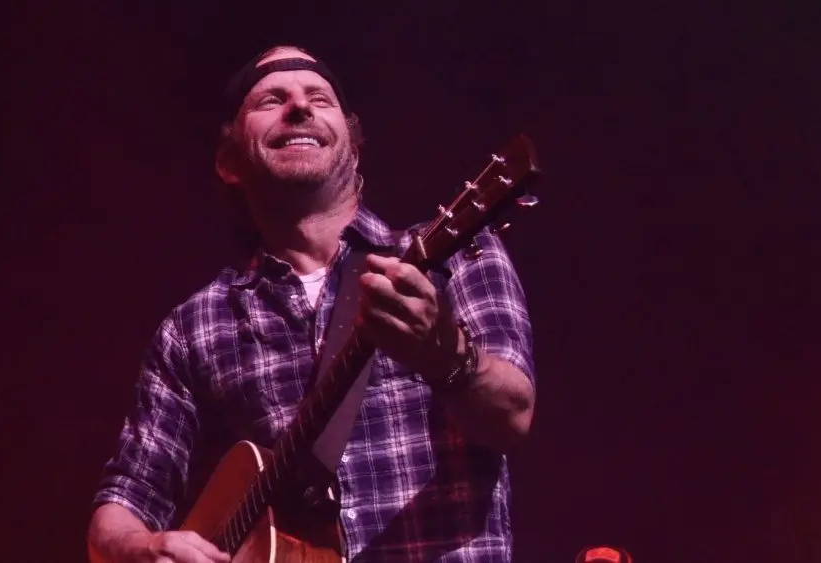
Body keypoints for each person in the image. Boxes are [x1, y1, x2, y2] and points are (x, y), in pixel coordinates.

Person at [86, 44, 536, 563]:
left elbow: (512, 417)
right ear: (228, 162)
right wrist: (142, 547)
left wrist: (446, 355)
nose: (298, 107)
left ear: (353, 143)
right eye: (271, 99)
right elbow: (121, 503)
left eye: (318, 98)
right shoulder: (194, 327)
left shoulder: (458, 256)